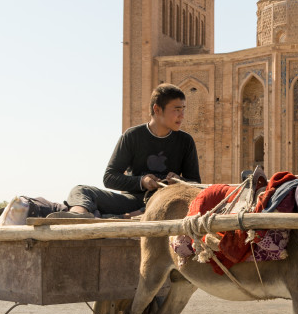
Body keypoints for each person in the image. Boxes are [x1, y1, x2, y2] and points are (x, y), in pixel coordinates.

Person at [57, 83, 201, 218]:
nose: (182, 115)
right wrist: (142, 181)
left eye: (183, 110)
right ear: (157, 109)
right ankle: (77, 217)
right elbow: (109, 178)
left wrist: (179, 182)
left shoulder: (185, 141)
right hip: (131, 200)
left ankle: (130, 216)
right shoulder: (133, 136)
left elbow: (196, 185)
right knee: (81, 191)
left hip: (166, 203)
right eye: (176, 110)